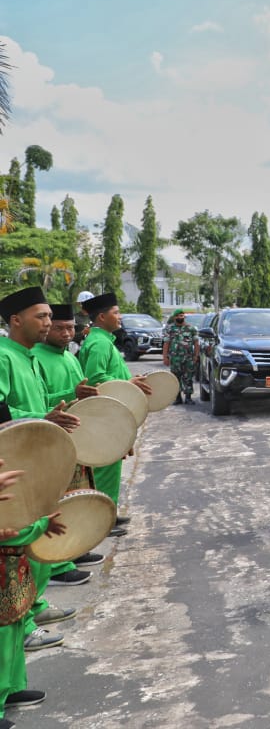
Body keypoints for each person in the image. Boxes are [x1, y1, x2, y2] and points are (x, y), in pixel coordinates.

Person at [0, 288, 87, 653]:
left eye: (50, 316)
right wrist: (39, 417)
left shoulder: (28, 356)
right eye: (42, 316)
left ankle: (31, 613)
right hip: (12, 466)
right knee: (17, 555)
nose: (49, 323)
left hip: (36, 461)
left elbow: (38, 403)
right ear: (15, 320)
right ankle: (24, 626)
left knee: (34, 545)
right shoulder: (4, 357)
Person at [31, 303, 105, 580]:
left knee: (78, 498)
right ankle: (59, 564)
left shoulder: (70, 357)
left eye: (70, 327)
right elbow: (48, 402)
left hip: (76, 439)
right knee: (59, 503)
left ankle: (74, 550)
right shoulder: (36, 356)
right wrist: (71, 394)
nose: (65, 333)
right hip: (52, 441)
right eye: (59, 327)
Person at [76, 292, 153, 514]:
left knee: (112, 465)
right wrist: (128, 382)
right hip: (104, 415)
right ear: (101, 317)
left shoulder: (103, 341)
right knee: (105, 466)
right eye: (116, 312)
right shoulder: (99, 343)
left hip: (112, 412)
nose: (120, 317)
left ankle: (109, 511)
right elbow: (95, 378)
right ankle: (103, 516)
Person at [0, 479, 65, 728]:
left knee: (13, 629)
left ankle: (10, 690)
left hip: (10, 568)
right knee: (2, 637)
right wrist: (40, 525)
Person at [161, 308, 200, 405]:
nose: (180, 317)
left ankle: (188, 398)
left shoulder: (191, 328)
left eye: (182, 316)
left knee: (188, 378)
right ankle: (177, 398)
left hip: (188, 358)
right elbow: (166, 343)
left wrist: (196, 356)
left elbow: (196, 343)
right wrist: (165, 357)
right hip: (175, 358)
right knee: (175, 378)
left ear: (184, 317)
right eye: (178, 316)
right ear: (174, 317)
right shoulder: (170, 329)